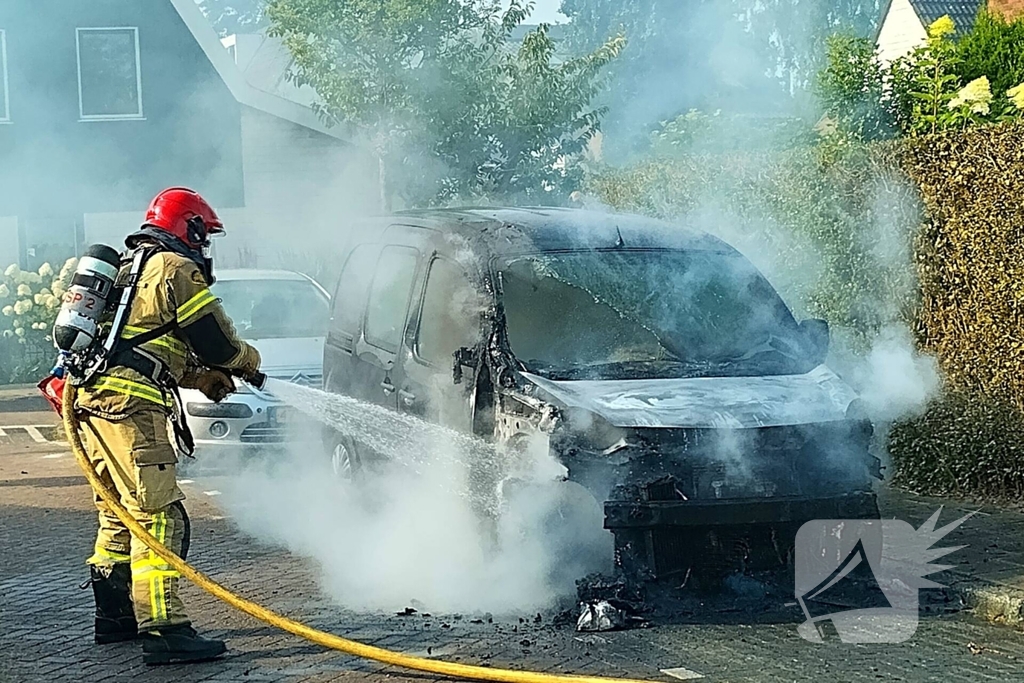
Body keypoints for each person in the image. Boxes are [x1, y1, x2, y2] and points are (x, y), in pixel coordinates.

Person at [76, 187, 261, 665]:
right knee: (160, 515)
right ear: (191, 228)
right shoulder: (176, 269)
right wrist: (247, 361)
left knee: (118, 513)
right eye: (205, 236)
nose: (205, 248)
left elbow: (142, 347)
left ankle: (115, 618)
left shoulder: (127, 270)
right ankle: (164, 628)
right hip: (131, 410)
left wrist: (200, 378)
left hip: (93, 404)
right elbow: (217, 340)